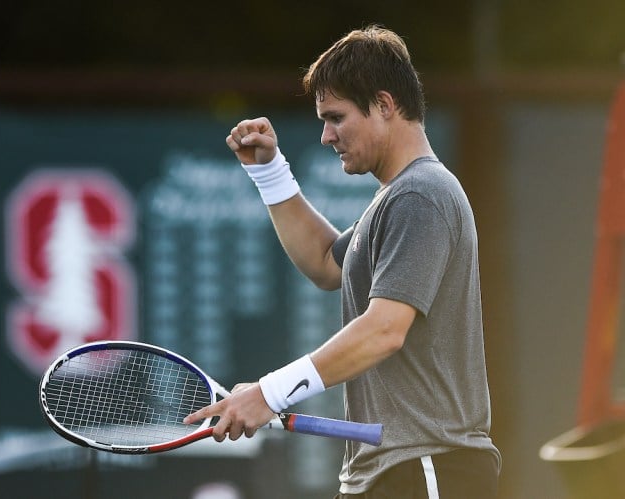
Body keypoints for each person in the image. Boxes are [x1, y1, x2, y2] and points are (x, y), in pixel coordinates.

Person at [184, 25, 501, 498]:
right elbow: (325, 263)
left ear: (385, 104)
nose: (326, 135)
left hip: (426, 467)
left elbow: (384, 330)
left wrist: (270, 395)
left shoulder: (421, 194)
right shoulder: (396, 198)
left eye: (336, 117)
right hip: (391, 472)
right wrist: (270, 172)